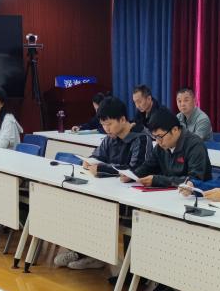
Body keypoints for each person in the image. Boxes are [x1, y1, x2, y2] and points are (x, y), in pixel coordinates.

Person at [54, 96, 151, 271]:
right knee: (79, 201)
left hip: (132, 199)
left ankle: (94, 255)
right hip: (110, 191)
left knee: (93, 206)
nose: (106, 129)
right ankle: (82, 251)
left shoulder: (141, 138)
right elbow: (97, 156)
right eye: (103, 125)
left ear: (123, 119)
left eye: (110, 124)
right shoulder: (110, 137)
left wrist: (102, 169)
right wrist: (89, 161)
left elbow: (135, 170)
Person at [130, 106, 211, 188]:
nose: (158, 141)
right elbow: (148, 167)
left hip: (195, 194)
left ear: (175, 130)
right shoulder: (160, 147)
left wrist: (158, 180)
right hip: (170, 192)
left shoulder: (195, 145)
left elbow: (195, 180)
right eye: (155, 137)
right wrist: (132, 175)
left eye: (160, 136)